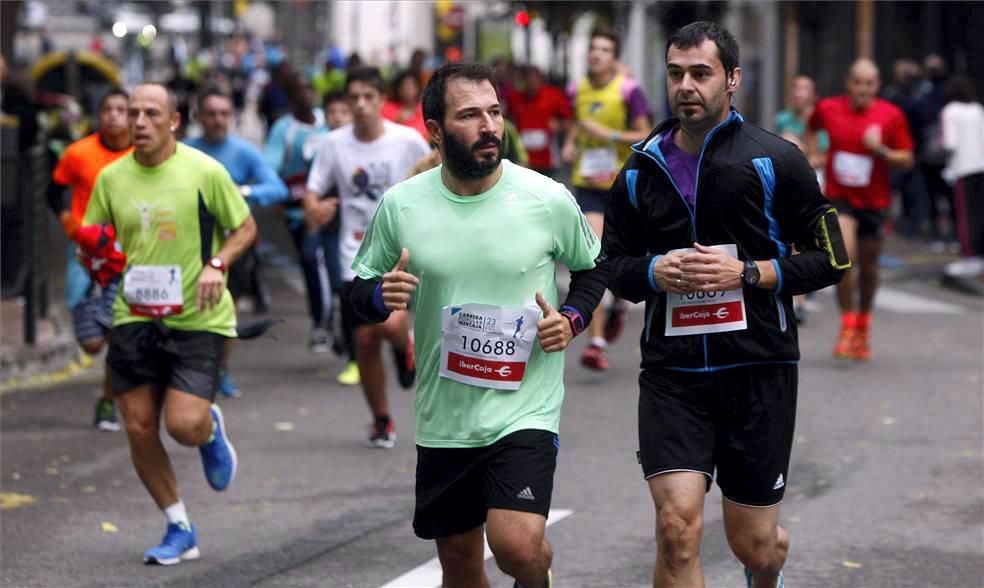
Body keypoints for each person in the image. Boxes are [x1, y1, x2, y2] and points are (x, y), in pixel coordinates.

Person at [603, 22, 849, 588]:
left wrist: (751, 272)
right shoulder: (641, 170)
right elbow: (609, 266)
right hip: (673, 375)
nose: (685, 85)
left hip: (758, 368)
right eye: (675, 73)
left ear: (732, 79)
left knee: (754, 544)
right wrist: (651, 271)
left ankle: (766, 571)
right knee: (676, 530)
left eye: (701, 73)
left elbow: (833, 257)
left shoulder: (775, 159)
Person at [350, 62, 606, 588]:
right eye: (470, 115)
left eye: (494, 111)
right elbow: (356, 292)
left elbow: (593, 267)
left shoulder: (545, 197)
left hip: (524, 407)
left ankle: (533, 571)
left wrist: (573, 318)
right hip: (445, 413)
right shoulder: (402, 205)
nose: (490, 125)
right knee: (461, 565)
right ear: (436, 130)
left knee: (514, 547)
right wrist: (379, 295)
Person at [84, 83, 254, 565]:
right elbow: (97, 238)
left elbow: (244, 228)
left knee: (182, 425)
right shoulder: (111, 179)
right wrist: (93, 256)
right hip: (134, 315)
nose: (138, 122)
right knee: (138, 425)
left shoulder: (205, 171)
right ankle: (179, 524)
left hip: (198, 317)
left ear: (174, 121)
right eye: (133, 113)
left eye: (150, 114)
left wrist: (217, 264)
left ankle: (207, 430)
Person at [303, 66, 430, 447]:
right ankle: (381, 420)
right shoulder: (333, 144)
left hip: (402, 253)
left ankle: (404, 345)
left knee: (389, 325)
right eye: (353, 97)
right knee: (365, 342)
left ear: (380, 100)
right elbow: (313, 190)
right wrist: (314, 209)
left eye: (368, 97)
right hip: (354, 255)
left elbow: (434, 172)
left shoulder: (407, 140)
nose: (360, 105)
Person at [808, 58, 914, 361]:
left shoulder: (890, 115)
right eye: (857, 82)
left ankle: (863, 324)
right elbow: (812, 126)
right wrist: (814, 152)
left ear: (876, 86)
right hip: (840, 199)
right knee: (843, 258)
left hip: (875, 203)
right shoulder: (829, 108)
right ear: (848, 83)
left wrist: (880, 150)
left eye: (869, 84)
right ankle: (847, 324)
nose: (862, 89)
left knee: (868, 268)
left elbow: (907, 159)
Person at [185, 87, 289, 397]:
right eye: (211, 114)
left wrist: (243, 193)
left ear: (232, 116)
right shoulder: (185, 151)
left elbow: (277, 189)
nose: (218, 120)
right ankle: (189, 370)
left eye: (224, 114)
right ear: (197, 117)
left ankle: (221, 369)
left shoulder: (243, 153)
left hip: (235, 246)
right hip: (189, 245)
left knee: (225, 312)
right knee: (191, 309)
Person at [561, 26, 652, 370]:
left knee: (621, 260)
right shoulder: (578, 89)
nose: (596, 54)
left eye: (604, 49)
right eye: (593, 49)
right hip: (588, 186)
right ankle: (596, 342)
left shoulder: (629, 90)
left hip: (622, 186)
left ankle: (618, 304)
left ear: (614, 57)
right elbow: (577, 123)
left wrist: (610, 135)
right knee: (593, 257)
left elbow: (645, 133)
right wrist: (571, 143)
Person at [47, 88, 133, 431]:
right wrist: (68, 221)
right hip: (85, 253)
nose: (114, 115)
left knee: (116, 332)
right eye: (108, 109)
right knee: (92, 342)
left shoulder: (140, 155)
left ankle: (109, 402)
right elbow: (54, 189)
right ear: (99, 115)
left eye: (121, 109)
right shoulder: (79, 153)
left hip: (125, 255)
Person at [264, 73, 334, 353]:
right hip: (299, 215)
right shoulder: (284, 129)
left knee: (331, 264)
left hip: (333, 208)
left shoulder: (327, 120)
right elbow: (270, 166)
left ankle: (333, 322)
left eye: (309, 88)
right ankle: (321, 322)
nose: (306, 94)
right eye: (300, 89)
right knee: (310, 262)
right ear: (291, 97)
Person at [941, 74, 984, 273]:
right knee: (979, 213)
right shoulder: (977, 109)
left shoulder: (950, 111)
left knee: (965, 215)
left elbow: (950, 143)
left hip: (961, 167)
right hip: (980, 166)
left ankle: (969, 254)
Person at [504, 65, 572, 176]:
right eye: (527, 78)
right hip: (523, 159)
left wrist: (559, 126)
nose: (531, 82)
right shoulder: (514, 97)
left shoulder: (553, 95)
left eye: (534, 78)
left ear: (540, 79)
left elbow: (569, 120)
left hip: (548, 160)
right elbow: (507, 121)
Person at [382, 69, 429, 140]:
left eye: (411, 86)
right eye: (404, 86)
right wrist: (397, 121)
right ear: (398, 89)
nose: (408, 89)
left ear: (418, 88)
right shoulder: (387, 108)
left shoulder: (425, 109)